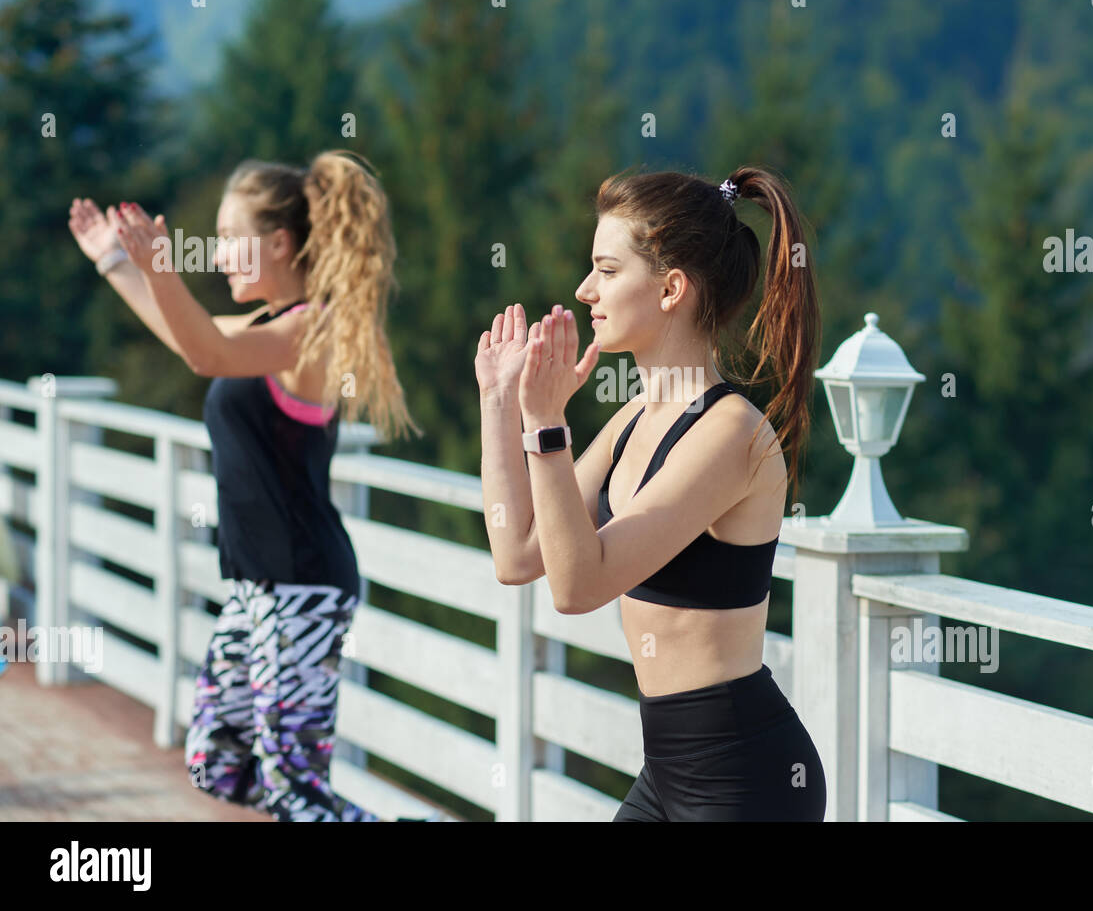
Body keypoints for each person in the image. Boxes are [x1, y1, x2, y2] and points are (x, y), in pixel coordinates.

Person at [67, 150, 419, 821]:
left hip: (303, 587)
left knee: (295, 793)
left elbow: (205, 353)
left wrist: (163, 267)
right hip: (255, 587)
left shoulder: (310, 330)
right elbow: (189, 339)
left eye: (231, 240)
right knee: (216, 761)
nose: (219, 254)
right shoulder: (267, 328)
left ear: (280, 243)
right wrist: (115, 261)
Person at [477, 166, 826, 820]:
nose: (585, 291)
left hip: (743, 779)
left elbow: (578, 587)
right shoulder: (635, 416)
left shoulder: (731, 435)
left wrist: (548, 426)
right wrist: (501, 405)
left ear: (671, 288)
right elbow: (518, 556)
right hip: (666, 770)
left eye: (607, 271)